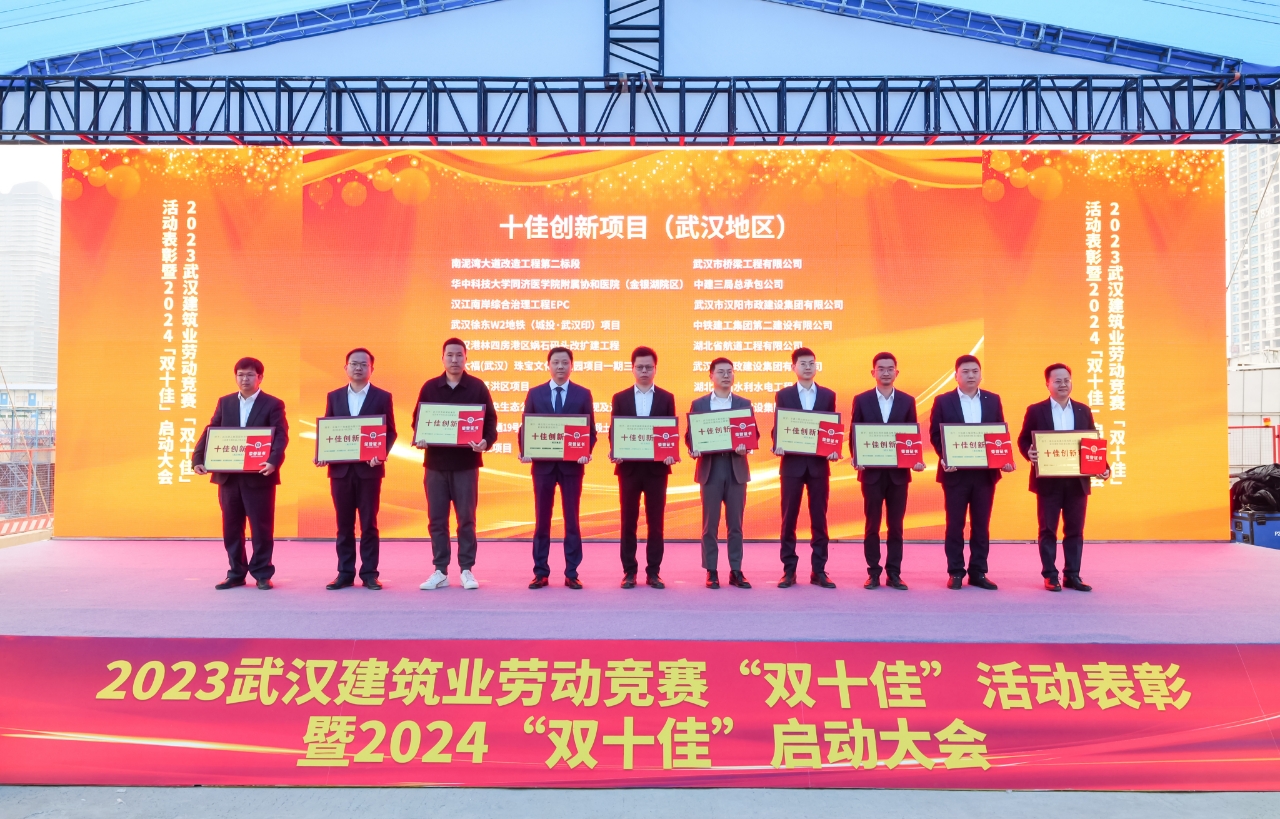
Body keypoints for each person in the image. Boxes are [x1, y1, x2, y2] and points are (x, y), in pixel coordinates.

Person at [192, 357, 289, 590]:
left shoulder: (273, 404)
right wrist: (197, 458)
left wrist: (273, 462)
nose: (245, 379)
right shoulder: (225, 402)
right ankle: (236, 573)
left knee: (261, 528)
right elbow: (211, 430)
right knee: (231, 527)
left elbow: (281, 436)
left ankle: (262, 573)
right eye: (240, 374)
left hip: (259, 476)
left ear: (260, 377)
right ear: (235, 377)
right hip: (229, 477)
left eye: (250, 375)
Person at [413, 338, 499, 591]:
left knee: (466, 519)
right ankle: (440, 570)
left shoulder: (477, 387)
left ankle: (466, 569)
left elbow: (491, 422)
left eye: (459, 355)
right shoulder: (430, 387)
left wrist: (486, 441)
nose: (454, 360)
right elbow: (418, 420)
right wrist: (420, 436)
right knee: (437, 519)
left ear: (466, 358)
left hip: (466, 465)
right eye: (449, 355)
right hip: (435, 465)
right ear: (442, 358)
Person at [1017, 363, 1109, 592]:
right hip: (1048, 482)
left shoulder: (1083, 410)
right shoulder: (1035, 410)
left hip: (1077, 483)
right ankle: (1050, 575)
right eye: (1057, 380)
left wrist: (1104, 467)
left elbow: (1092, 443)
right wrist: (1029, 452)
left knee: (1075, 530)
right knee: (1048, 530)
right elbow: (1023, 439)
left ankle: (1072, 575)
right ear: (1047, 384)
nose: (1063, 384)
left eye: (1067, 380)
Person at [928, 354, 1014, 590]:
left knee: (981, 525)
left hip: (984, 475)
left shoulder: (992, 400)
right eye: (965, 372)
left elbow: (999, 433)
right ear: (956, 375)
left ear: (981, 374)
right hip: (955, 473)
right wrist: (945, 457)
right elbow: (935, 434)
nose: (971, 375)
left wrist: (1003, 459)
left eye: (975, 371)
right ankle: (955, 571)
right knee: (955, 524)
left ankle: (978, 572)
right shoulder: (943, 401)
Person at [316, 348, 398, 591]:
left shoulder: (382, 397)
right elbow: (330, 429)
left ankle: (370, 574)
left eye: (363, 364)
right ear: (346, 368)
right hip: (340, 472)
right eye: (354, 363)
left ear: (372, 368)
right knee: (344, 525)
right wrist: (322, 453)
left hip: (369, 472)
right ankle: (345, 573)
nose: (358, 368)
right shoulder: (334, 396)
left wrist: (380, 454)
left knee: (369, 524)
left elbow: (390, 432)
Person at [520, 346, 596, 589]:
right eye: (556, 362)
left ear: (572, 365)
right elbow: (526, 428)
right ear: (548, 365)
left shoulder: (583, 394)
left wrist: (585, 451)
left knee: (572, 520)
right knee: (541, 520)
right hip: (542, 467)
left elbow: (590, 431)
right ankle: (540, 572)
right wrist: (525, 450)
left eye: (565, 362)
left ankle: (571, 572)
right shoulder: (535, 393)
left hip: (572, 468)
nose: (560, 366)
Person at [851, 351, 924, 590]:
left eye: (890, 368)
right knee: (872, 525)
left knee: (896, 526)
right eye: (881, 368)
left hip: (898, 475)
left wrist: (916, 460)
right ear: (873, 372)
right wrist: (857, 457)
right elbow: (855, 432)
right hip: (871, 473)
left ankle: (894, 573)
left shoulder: (907, 401)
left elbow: (912, 435)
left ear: (896, 372)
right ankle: (873, 572)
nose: (885, 372)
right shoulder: (861, 400)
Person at [772, 347, 839, 589]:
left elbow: (831, 428)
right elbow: (779, 427)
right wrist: (777, 443)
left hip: (819, 466)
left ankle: (818, 570)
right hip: (792, 465)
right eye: (803, 363)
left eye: (812, 363)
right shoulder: (784, 395)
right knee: (788, 519)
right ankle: (789, 570)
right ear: (794, 367)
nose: (808, 367)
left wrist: (833, 448)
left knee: (819, 519)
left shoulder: (828, 395)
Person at [610, 346, 676, 589]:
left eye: (649, 367)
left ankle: (653, 572)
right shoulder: (620, 398)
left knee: (655, 524)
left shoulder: (666, 398)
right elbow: (614, 430)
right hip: (628, 470)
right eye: (640, 367)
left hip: (657, 471)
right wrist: (615, 450)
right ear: (632, 369)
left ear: (655, 369)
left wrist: (670, 454)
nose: (644, 371)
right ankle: (629, 572)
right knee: (628, 522)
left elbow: (669, 432)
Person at [686, 357, 754, 590]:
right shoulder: (700, 404)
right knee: (710, 524)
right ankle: (711, 570)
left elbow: (753, 433)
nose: (726, 375)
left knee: (736, 524)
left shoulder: (744, 403)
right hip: (711, 468)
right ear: (711, 375)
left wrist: (747, 446)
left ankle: (736, 570)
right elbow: (690, 436)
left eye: (730, 372)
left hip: (736, 468)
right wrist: (693, 448)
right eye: (721, 372)